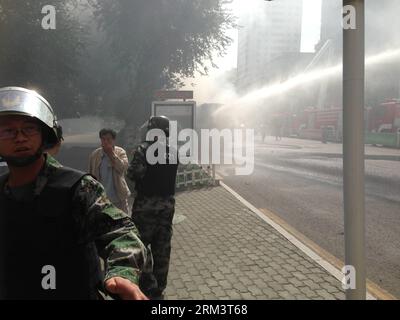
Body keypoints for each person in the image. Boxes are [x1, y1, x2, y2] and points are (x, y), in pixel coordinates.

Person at [0, 86, 148, 300]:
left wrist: (122, 274)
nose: (20, 138)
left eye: (29, 129)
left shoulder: (77, 188)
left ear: (44, 134)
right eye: (7, 131)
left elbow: (121, 232)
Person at [127, 115, 178, 300]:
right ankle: (159, 288)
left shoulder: (143, 149)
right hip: (166, 208)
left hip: (145, 208)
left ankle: (147, 286)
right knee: (162, 249)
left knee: (141, 247)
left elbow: (133, 173)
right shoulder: (173, 151)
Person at [88, 128, 131, 214]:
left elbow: (122, 168)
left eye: (108, 139)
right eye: (103, 139)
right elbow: (90, 176)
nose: (106, 142)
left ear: (113, 140)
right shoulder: (95, 155)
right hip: (101, 199)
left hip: (118, 198)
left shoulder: (120, 152)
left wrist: (111, 154)